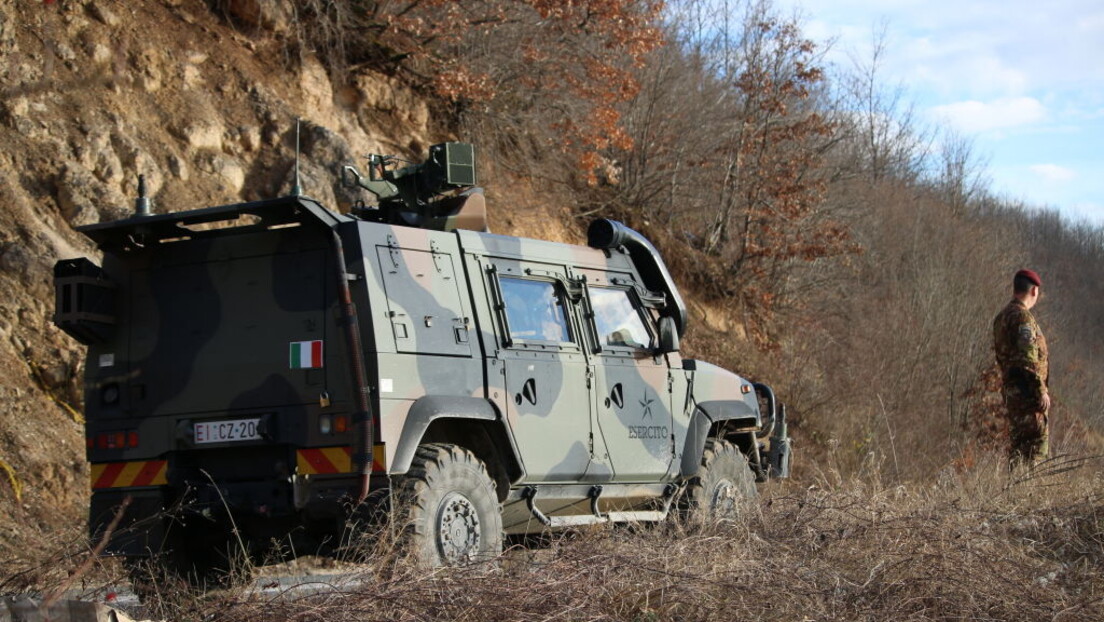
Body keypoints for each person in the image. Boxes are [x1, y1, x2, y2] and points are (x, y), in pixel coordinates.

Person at [992, 269, 1050, 466]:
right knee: (1035, 453)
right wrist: (1040, 391)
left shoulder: (1001, 318)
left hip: (1012, 394)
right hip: (1027, 396)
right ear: (1034, 291)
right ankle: (1031, 494)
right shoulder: (1022, 318)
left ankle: (1015, 493)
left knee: (1018, 451)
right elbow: (1027, 358)